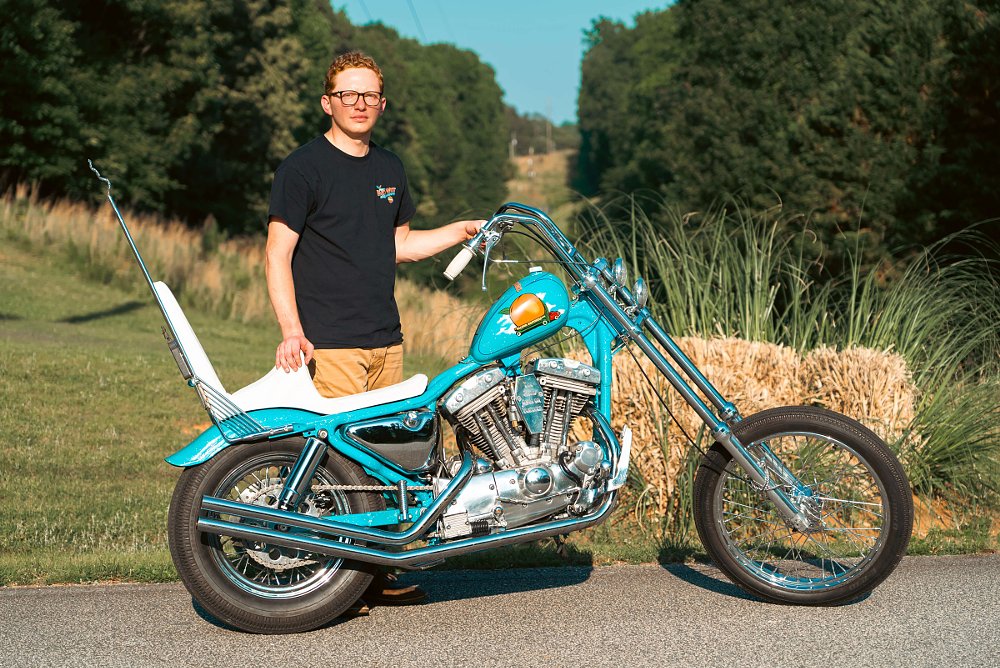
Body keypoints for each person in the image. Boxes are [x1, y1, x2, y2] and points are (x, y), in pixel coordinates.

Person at [265, 51, 482, 613]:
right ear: (327, 102)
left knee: (388, 461)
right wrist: (292, 330)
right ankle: (335, 585)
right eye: (347, 94)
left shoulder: (389, 168)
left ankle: (375, 575)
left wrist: (458, 231)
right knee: (343, 470)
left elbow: (399, 246)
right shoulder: (302, 168)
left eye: (369, 96)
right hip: (329, 342)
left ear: (381, 104)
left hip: (386, 338)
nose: (358, 104)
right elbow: (276, 254)